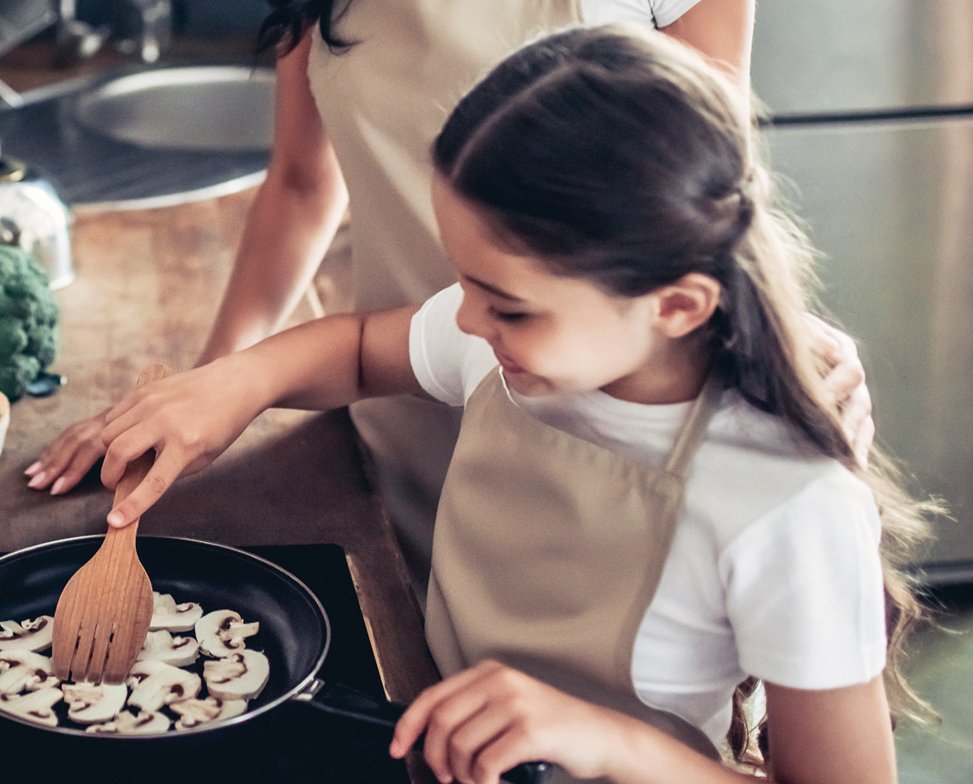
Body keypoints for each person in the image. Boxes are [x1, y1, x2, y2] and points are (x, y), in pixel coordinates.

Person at [86, 26, 931, 784]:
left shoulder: (791, 508)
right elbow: (354, 348)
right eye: (467, 285)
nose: (463, 318)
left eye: (508, 305)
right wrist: (233, 384)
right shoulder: (502, 347)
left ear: (676, 305)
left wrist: (609, 743)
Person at [23, 0, 877, 587]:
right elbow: (299, 184)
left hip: (615, 435)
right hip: (402, 406)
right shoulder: (454, 330)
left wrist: (786, 349)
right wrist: (211, 390)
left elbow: (709, 193)